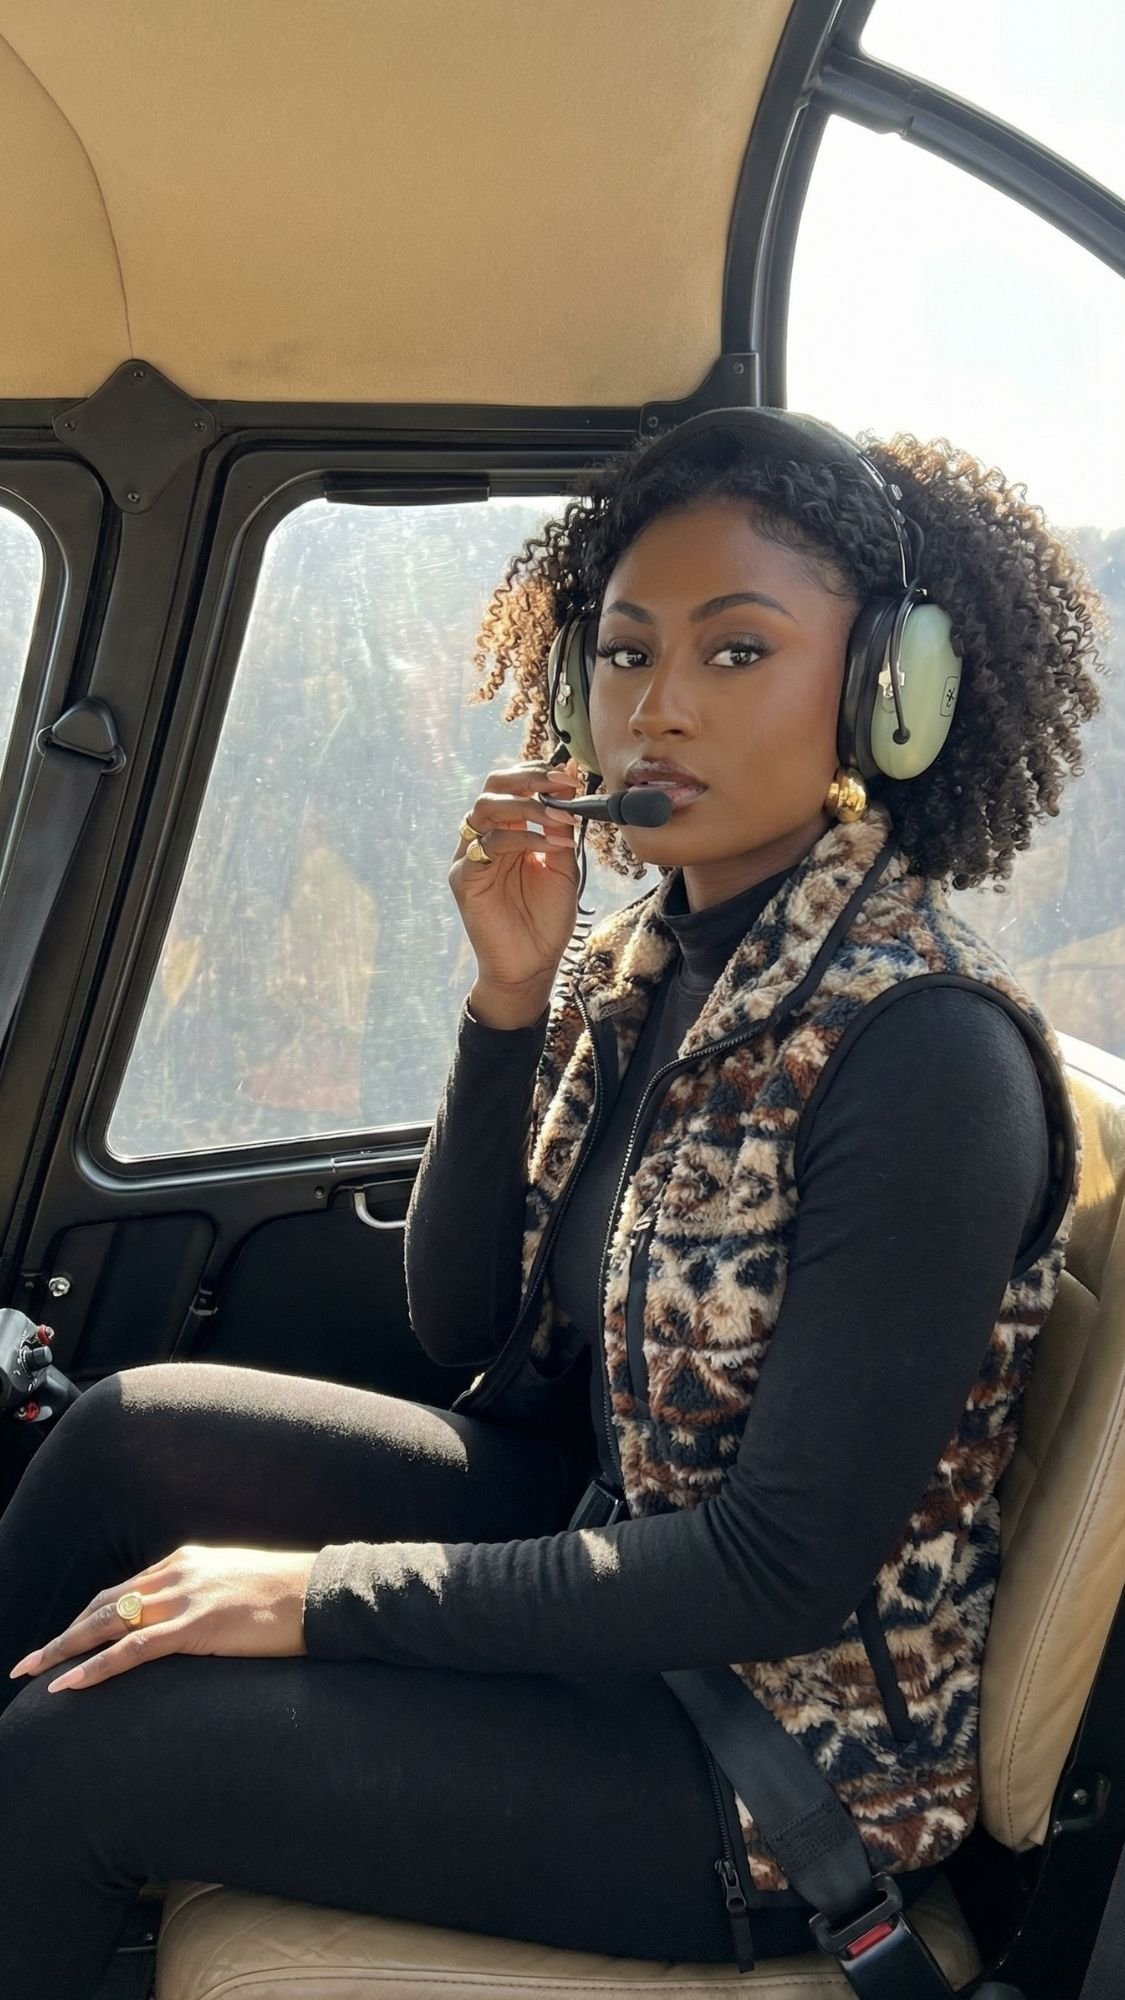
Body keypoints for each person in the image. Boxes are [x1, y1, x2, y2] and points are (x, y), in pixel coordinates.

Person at [0, 410, 1103, 1996]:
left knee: (91, 1753)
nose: (657, 706)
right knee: (124, 1431)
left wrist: (318, 1600)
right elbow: (465, 1331)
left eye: (738, 654)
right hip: (618, 1568)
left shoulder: (918, 1053)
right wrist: (505, 1004)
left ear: (886, 696)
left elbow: (774, 1568)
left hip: (774, 1760)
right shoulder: (650, 963)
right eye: (624, 650)